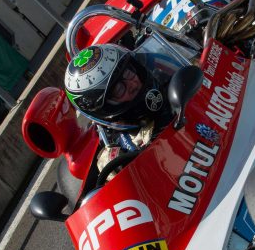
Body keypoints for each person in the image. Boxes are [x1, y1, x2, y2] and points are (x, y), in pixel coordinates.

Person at [64, 42, 177, 177]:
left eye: (128, 73)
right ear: (107, 108)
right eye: (118, 89)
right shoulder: (120, 149)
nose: (132, 83)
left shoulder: (164, 75)